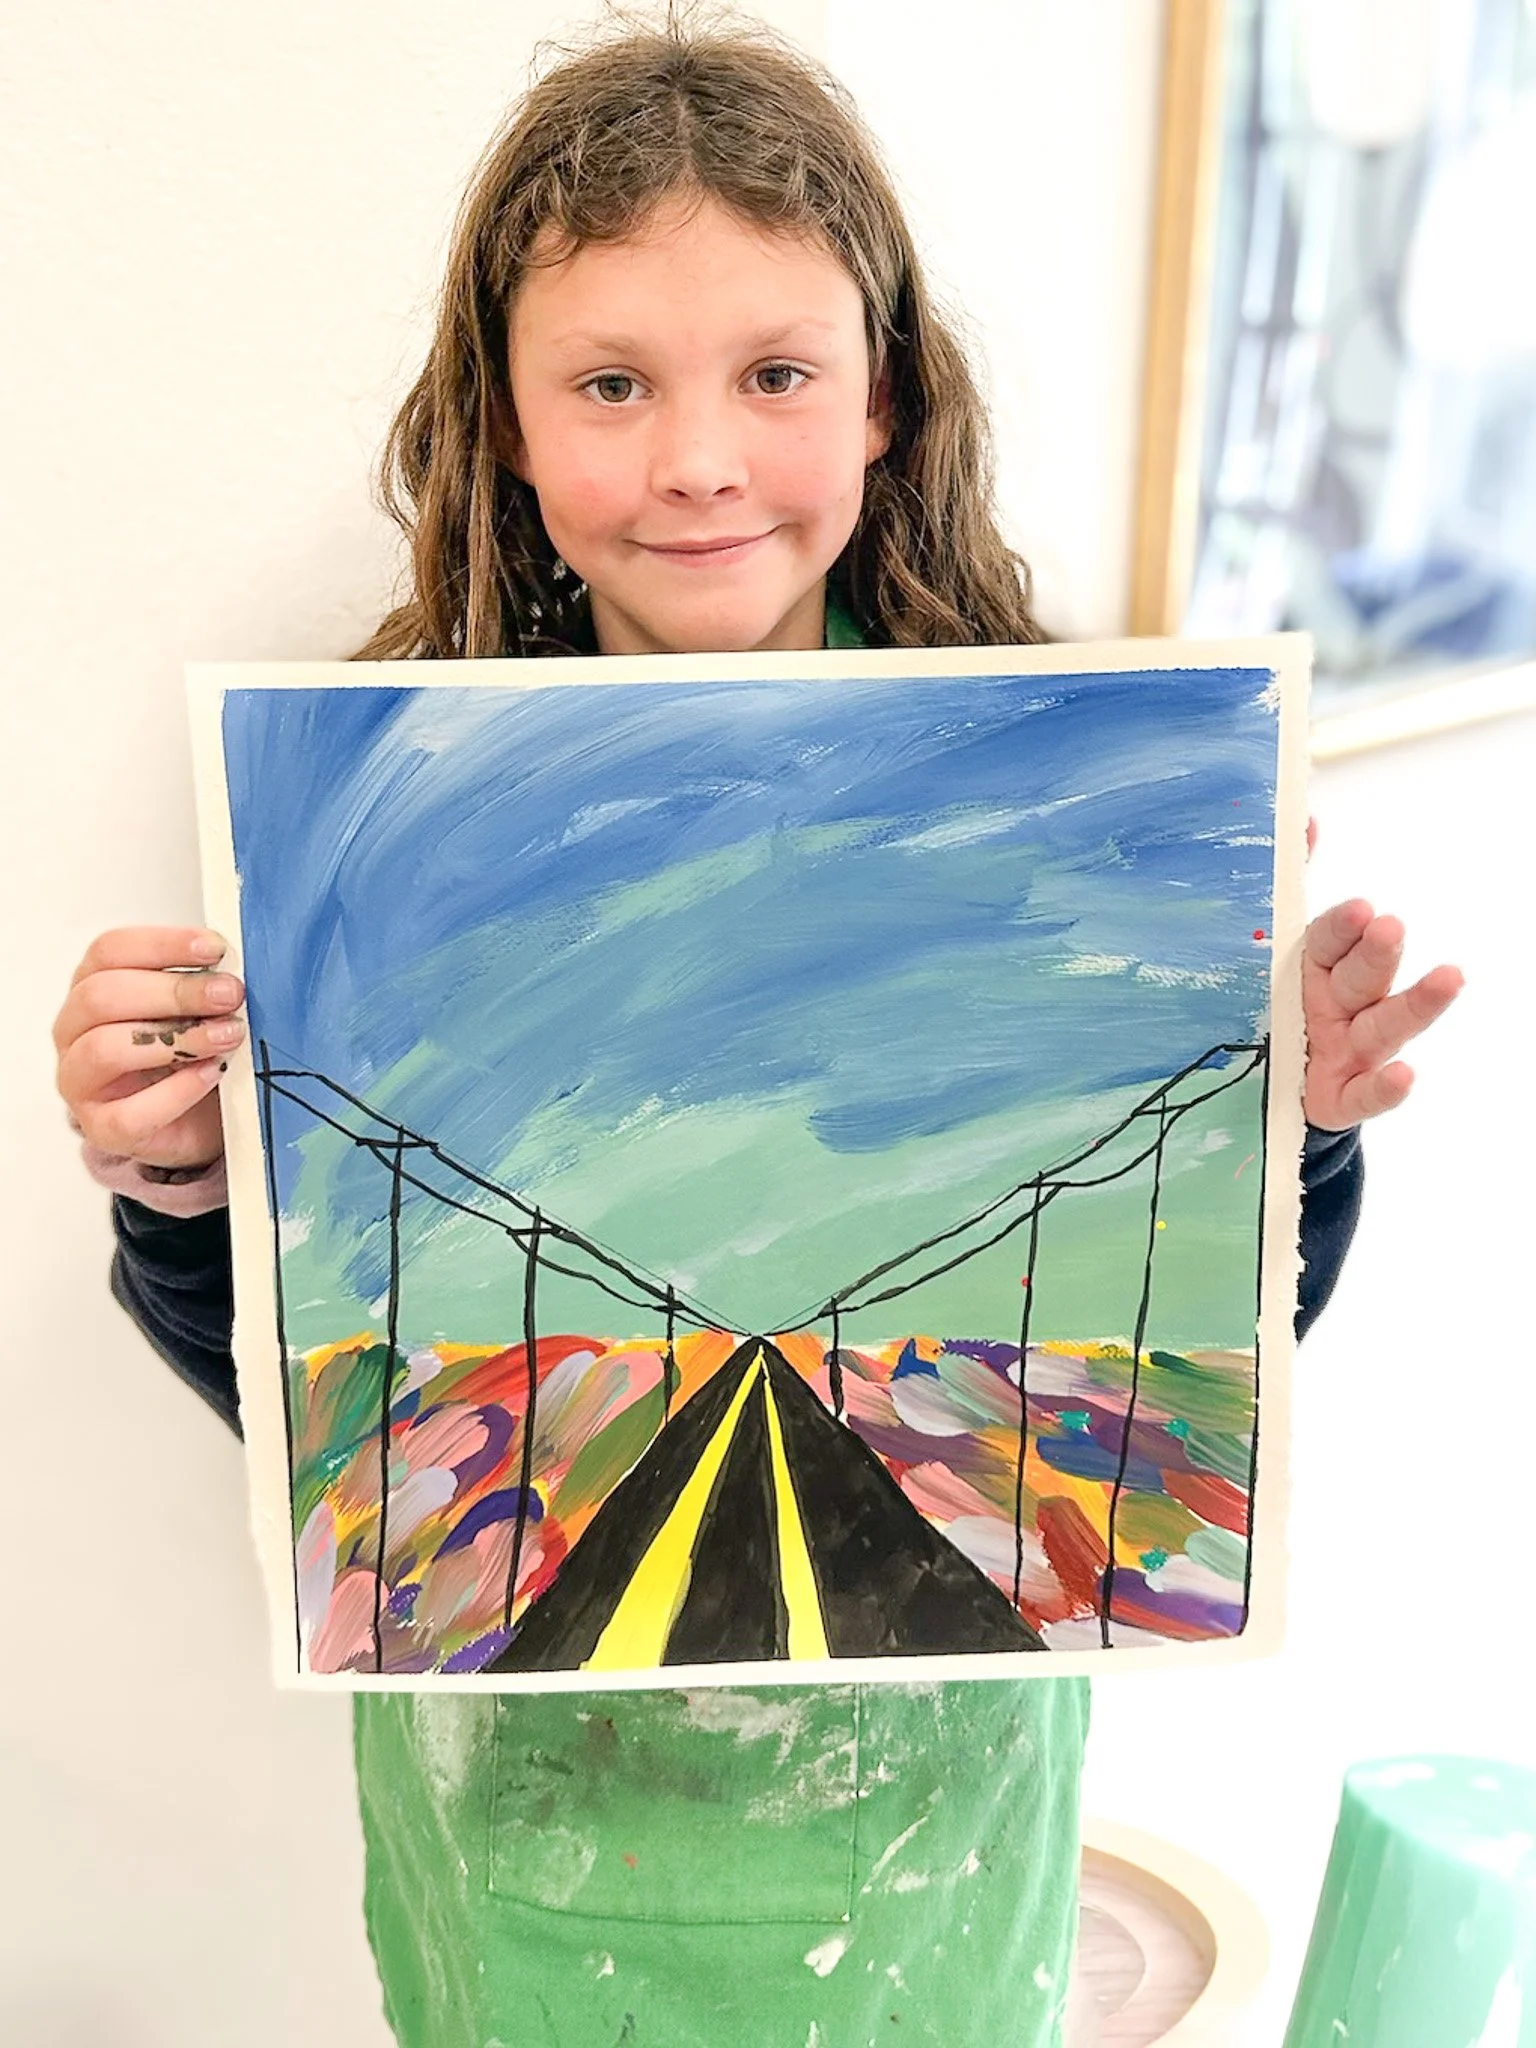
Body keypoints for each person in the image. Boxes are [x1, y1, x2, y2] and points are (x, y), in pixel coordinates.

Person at [51, 12, 1464, 2045]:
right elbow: (328, 1422)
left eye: (776, 375)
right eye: (612, 384)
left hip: (939, 1833)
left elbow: (1190, 1374)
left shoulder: (1064, 805)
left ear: (883, 399)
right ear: (512, 433)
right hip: (510, 1843)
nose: (701, 457)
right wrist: (184, 1193)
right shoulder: (368, 833)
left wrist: (1285, 1136)